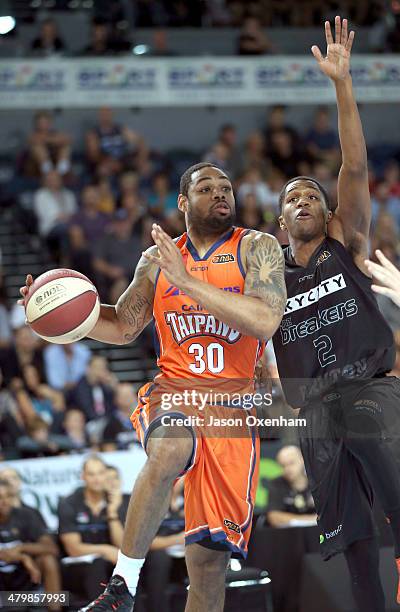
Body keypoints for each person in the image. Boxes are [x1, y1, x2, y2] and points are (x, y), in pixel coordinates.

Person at [20, 161, 286, 611]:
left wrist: (186, 281)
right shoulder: (156, 259)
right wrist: (58, 318)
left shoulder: (256, 247)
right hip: (176, 392)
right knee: (168, 447)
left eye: (226, 187)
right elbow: (123, 326)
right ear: (182, 202)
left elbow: (265, 320)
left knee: (207, 568)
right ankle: (122, 585)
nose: (221, 194)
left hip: (233, 412)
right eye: (206, 188)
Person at [271, 17, 400, 612]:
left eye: (311, 197)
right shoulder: (267, 279)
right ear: (278, 222)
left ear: (326, 216)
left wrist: (342, 87)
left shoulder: (342, 241)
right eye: (291, 196)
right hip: (315, 410)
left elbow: (354, 168)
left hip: (369, 389)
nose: (303, 199)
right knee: (352, 545)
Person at [58, 455, 129, 602]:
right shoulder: (69, 503)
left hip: (111, 564)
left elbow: (122, 546)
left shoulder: (116, 501)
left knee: (130, 567)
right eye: (91, 474)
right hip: (78, 567)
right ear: (83, 477)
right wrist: (104, 549)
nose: (97, 479)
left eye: (100, 473)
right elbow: (73, 548)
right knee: (97, 565)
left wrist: (112, 512)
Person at [0, 478, 59, 595]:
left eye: (8, 496)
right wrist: (23, 557)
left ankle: (55, 608)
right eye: (0, 497)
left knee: (48, 559)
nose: (4, 501)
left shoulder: (27, 514)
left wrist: (21, 548)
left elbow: (52, 548)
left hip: (24, 574)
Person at [266, 445, 316, 527]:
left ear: (302, 460)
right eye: (283, 465)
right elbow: (274, 517)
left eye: (291, 463)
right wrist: (311, 519)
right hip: (290, 535)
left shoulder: (317, 480)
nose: (287, 469)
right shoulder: (276, 484)